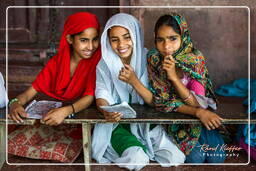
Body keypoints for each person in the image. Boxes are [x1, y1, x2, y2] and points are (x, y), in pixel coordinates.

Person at [92, 13, 185, 170]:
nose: (121, 44)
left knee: (176, 157)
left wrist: (133, 80)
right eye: (114, 39)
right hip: (117, 125)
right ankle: (133, 149)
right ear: (108, 41)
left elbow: (157, 100)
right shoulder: (105, 63)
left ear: (135, 35)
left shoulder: (149, 59)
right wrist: (105, 111)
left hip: (146, 124)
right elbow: (102, 93)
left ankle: (142, 147)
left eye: (127, 37)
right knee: (137, 158)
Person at [8, 12, 101, 162]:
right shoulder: (58, 62)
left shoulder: (98, 61)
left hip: (84, 121)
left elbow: (89, 97)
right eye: (84, 40)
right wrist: (15, 104)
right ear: (69, 39)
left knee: (60, 153)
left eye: (95, 39)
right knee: (10, 144)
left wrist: (66, 111)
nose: (91, 46)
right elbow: (28, 94)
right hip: (55, 119)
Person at [147, 14, 226, 163]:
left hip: (201, 118)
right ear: (154, 38)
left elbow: (198, 102)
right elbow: (162, 101)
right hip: (173, 121)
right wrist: (197, 112)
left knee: (217, 157)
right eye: (160, 40)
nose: (166, 46)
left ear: (183, 37)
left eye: (173, 38)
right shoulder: (154, 59)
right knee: (196, 158)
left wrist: (174, 78)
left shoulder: (195, 59)